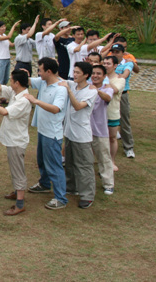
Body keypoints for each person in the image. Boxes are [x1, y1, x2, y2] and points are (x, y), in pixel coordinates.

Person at [0, 67, 32, 216]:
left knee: (17, 170)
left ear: (17, 83)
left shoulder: (24, 100)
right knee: (15, 167)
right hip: (12, 139)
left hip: (17, 140)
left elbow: (4, 112)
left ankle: (20, 204)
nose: (10, 83)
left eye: (11, 80)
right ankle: (17, 192)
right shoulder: (16, 92)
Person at [24, 57, 69, 210]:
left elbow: (56, 109)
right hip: (42, 130)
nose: (39, 73)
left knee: (54, 166)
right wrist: (22, 74)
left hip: (52, 133)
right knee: (42, 161)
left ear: (48, 71)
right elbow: (28, 81)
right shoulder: (43, 82)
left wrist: (35, 101)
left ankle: (60, 198)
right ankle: (44, 184)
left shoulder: (60, 89)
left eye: (40, 70)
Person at [60, 62, 99, 209]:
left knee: (84, 165)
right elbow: (58, 79)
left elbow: (77, 106)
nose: (74, 75)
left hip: (82, 136)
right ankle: (71, 187)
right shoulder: (72, 84)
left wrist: (68, 91)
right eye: (74, 72)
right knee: (69, 163)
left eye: (78, 73)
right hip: (69, 133)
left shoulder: (91, 91)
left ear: (86, 75)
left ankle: (87, 196)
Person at [89, 64, 115, 195]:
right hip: (85, 129)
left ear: (104, 76)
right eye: (93, 73)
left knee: (104, 158)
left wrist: (97, 91)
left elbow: (108, 98)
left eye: (98, 74)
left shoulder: (107, 89)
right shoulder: (86, 87)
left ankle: (108, 184)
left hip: (100, 129)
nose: (95, 76)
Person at [110, 44, 136, 158]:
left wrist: (119, 77)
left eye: (117, 52)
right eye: (113, 52)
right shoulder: (109, 63)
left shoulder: (127, 63)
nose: (115, 54)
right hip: (109, 94)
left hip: (122, 95)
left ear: (122, 53)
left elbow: (125, 74)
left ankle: (129, 147)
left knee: (124, 121)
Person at [102, 55, 125, 172]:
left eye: (108, 64)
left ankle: (112, 161)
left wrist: (105, 79)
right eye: (104, 63)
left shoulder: (120, 79)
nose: (106, 66)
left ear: (115, 66)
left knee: (112, 138)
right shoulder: (99, 77)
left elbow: (114, 90)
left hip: (112, 113)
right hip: (99, 114)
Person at [0, 20, 20, 85]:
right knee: (0, 81)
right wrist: (14, 26)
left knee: (5, 80)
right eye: (2, 27)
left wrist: (20, 39)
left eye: (4, 26)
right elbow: (9, 37)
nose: (4, 28)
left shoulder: (4, 35)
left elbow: (11, 45)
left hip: (7, 59)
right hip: (1, 60)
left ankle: (3, 92)